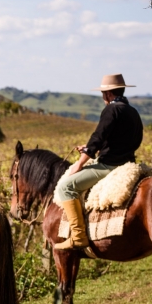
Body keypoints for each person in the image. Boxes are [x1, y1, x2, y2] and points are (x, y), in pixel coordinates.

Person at [53, 73, 144, 250]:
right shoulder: (132, 111)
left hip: (109, 165)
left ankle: (78, 236)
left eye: (103, 93)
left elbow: (98, 137)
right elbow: (127, 140)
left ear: (108, 94)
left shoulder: (111, 109)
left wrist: (79, 164)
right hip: (127, 162)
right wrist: (92, 147)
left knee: (66, 187)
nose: (103, 96)